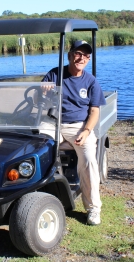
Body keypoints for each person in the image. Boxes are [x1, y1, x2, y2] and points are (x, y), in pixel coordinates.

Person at [42, 40, 106, 226]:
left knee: (88, 161)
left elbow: (95, 111)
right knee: (37, 147)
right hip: (52, 123)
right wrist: (44, 90)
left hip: (79, 127)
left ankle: (93, 209)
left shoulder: (91, 81)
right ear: (70, 55)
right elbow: (40, 95)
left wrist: (86, 131)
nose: (81, 58)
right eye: (78, 54)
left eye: (86, 56)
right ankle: (40, 194)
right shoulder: (55, 74)